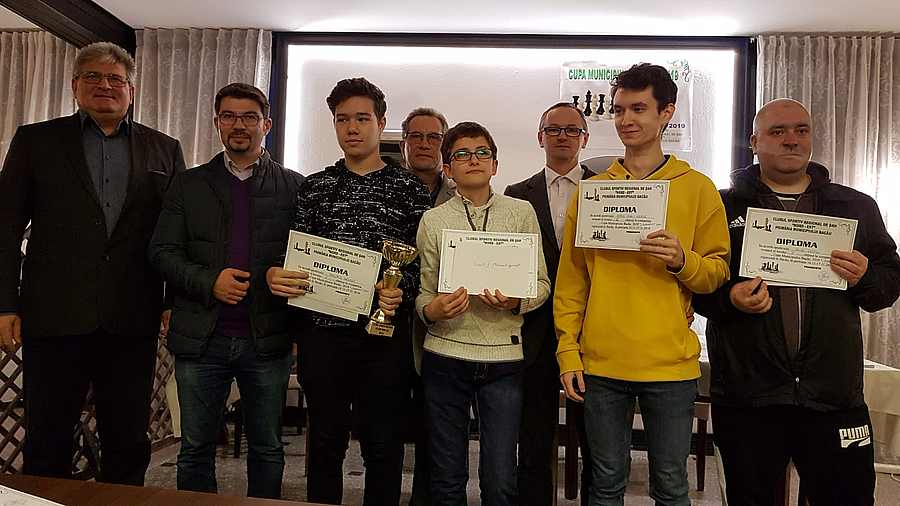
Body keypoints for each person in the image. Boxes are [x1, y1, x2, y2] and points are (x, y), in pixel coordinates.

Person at [693, 98, 900, 506]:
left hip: (833, 396)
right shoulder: (720, 205)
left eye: (801, 130)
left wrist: (865, 277)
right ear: (754, 142)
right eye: (778, 131)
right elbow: (696, 285)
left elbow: (888, 285)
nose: (791, 140)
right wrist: (729, 298)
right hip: (748, 396)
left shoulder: (855, 206)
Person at [0, 41, 185, 484]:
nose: (105, 85)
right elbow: (5, 227)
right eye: (93, 77)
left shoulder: (164, 148)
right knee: (48, 437)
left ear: (131, 90)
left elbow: (176, 234)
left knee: (128, 439)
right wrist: (5, 304)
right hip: (54, 315)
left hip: (132, 317)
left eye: (116, 79)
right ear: (74, 86)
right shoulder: (35, 141)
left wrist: (172, 300)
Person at [554, 63, 730, 505]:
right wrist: (567, 350)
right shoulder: (591, 192)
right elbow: (572, 281)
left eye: (638, 109)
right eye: (618, 110)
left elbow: (716, 273)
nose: (625, 119)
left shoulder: (698, 189)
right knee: (605, 484)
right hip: (600, 364)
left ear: (666, 113)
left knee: (670, 485)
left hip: (669, 367)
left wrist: (683, 261)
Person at [266, 77, 431, 505]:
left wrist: (401, 290)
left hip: (385, 337)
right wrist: (283, 276)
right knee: (324, 443)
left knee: (384, 445)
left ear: (381, 122)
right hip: (322, 336)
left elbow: (423, 266)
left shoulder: (410, 190)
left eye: (362, 118)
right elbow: (296, 253)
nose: (352, 128)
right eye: (342, 120)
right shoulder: (314, 187)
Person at [149, 83, 303, 498]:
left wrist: (277, 276)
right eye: (230, 116)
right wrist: (209, 281)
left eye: (250, 117)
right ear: (217, 123)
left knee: (267, 448)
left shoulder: (294, 187)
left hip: (267, 339)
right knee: (195, 449)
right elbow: (161, 252)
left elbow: (306, 258)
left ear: (266, 125)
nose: (239, 125)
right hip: (202, 339)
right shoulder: (188, 184)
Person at [416, 121, 551, 505]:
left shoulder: (521, 213)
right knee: (446, 477)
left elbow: (541, 284)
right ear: (447, 168)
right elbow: (423, 293)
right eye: (461, 154)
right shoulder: (433, 220)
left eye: (482, 153)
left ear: (494, 165)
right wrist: (432, 309)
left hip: (504, 358)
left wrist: (517, 301)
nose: (472, 159)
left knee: (500, 478)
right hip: (445, 355)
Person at [504, 102, 595, 505]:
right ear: (540, 137)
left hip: (592, 329)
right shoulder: (516, 196)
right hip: (534, 331)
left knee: (598, 442)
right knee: (534, 438)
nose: (562, 136)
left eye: (572, 130)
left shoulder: (607, 190)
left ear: (584, 139)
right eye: (553, 129)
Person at [399, 106, 452, 506]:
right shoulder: (386, 188)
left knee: (437, 425)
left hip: (444, 323)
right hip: (392, 318)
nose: (424, 144)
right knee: (389, 423)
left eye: (433, 137)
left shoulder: (461, 193)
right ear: (403, 143)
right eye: (415, 136)